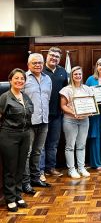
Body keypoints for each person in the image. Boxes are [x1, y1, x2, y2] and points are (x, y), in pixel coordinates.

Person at [0, 69, 34, 212]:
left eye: (22, 78)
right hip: (9, 135)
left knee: (21, 167)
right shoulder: (4, 97)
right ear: (10, 80)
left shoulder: (25, 97)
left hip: (25, 134)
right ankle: (10, 198)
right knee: (10, 168)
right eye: (16, 78)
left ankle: (18, 195)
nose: (19, 80)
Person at [22, 53, 52, 195]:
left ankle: (35, 178)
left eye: (40, 62)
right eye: (34, 63)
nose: (38, 65)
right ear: (28, 65)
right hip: (28, 122)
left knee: (37, 152)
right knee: (27, 153)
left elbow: (47, 98)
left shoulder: (47, 79)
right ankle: (25, 183)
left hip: (44, 120)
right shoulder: (23, 78)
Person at [60, 66, 93, 179]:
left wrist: (92, 111)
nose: (78, 76)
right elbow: (63, 106)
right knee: (70, 146)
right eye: (75, 74)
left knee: (81, 145)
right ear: (72, 76)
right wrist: (74, 113)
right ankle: (71, 169)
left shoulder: (87, 89)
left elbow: (92, 104)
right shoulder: (66, 89)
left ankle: (81, 167)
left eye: (79, 74)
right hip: (70, 120)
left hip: (84, 120)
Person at [40, 47, 68, 181]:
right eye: (52, 55)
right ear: (47, 56)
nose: (54, 58)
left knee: (53, 143)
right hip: (42, 114)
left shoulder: (63, 72)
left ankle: (50, 168)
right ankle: (40, 170)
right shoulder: (40, 70)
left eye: (57, 56)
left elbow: (67, 92)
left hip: (57, 114)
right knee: (40, 144)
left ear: (59, 59)